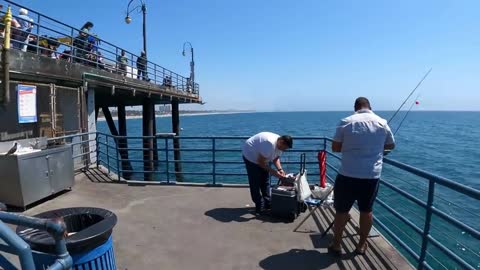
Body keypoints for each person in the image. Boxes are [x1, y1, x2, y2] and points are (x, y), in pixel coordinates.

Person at [329, 97, 395, 256]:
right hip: (371, 176)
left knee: (341, 211)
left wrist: (353, 147)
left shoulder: (346, 121)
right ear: (370, 107)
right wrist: (376, 148)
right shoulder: (382, 123)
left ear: (355, 107)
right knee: (366, 211)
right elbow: (391, 145)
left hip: (348, 174)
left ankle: (337, 244)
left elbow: (335, 148)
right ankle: (361, 245)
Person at [242, 132, 293, 214]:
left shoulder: (280, 144)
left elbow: (275, 158)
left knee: (265, 181)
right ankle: (259, 205)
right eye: (284, 148)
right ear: (281, 142)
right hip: (250, 156)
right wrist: (274, 172)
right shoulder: (269, 144)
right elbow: (260, 162)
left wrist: (280, 170)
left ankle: (267, 202)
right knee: (255, 182)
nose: (284, 150)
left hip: (262, 156)